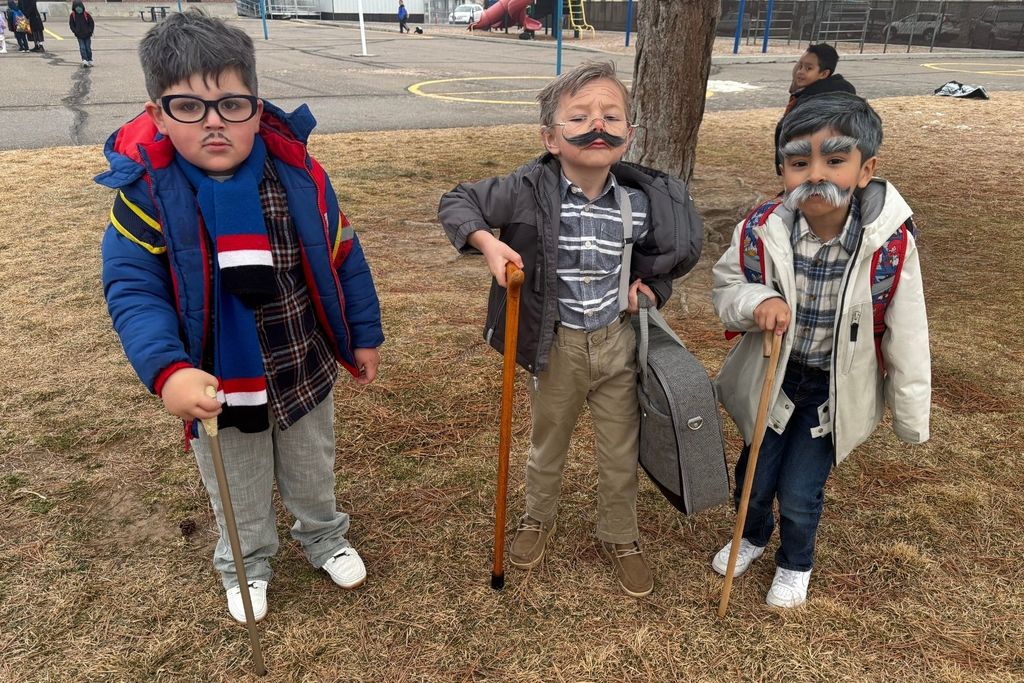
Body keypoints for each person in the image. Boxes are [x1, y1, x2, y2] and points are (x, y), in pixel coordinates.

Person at [97, 10, 384, 625]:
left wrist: (364, 331)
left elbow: (342, 252)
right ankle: (247, 560)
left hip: (301, 364)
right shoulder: (148, 198)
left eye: (231, 105)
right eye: (189, 108)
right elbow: (133, 291)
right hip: (220, 383)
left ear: (256, 106)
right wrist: (167, 370)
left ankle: (324, 536)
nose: (214, 123)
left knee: (313, 465)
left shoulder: (299, 175)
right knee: (238, 481)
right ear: (156, 113)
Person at [438, 61, 702, 598]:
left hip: (615, 343)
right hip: (555, 345)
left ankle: (620, 534)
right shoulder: (525, 191)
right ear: (550, 138)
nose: (596, 126)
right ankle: (538, 518)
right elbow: (457, 201)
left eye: (611, 115)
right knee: (548, 443)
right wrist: (489, 245)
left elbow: (658, 262)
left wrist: (650, 290)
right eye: (578, 117)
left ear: (629, 134)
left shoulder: (638, 203)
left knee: (619, 449)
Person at [711, 92, 930, 608]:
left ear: (864, 168)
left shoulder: (888, 244)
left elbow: (908, 330)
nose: (815, 174)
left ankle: (795, 562)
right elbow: (726, 287)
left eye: (834, 160)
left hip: (832, 387)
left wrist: (911, 414)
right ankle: (753, 532)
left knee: (802, 488)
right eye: (797, 161)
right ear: (781, 168)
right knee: (755, 471)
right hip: (774, 374)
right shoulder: (762, 230)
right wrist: (757, 298)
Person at [773, 44, 855, 174]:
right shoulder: (811, 93)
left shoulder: (815, 101)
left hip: (808, 167)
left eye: (808, 68)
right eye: (800, 66)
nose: (800, 72)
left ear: (824, 74)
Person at [68, 0, 94, 67]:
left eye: (79, 7)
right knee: (82, 48)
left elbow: (91, 23)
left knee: (88, 48)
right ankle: (84, 60)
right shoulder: (72, 15)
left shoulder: (86, 14)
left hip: (87, 35)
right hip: (79, 35)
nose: (78, 8)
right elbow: (71, 25)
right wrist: (75, 31)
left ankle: (90, 60)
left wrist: (90, 31)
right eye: (76, 7)